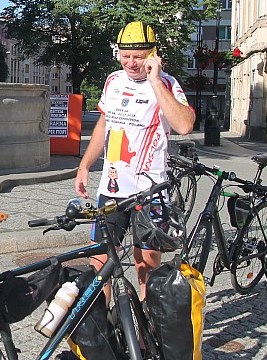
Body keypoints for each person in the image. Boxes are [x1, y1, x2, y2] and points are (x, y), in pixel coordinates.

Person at [75, 21, 195, 298]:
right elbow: (104, 125)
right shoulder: (113, 81)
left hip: (150, 192)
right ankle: (104, 331)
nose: (130, 63)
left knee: (147, 270)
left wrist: (154, 81)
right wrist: (84, 166)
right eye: (125, 55)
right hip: (112, 190)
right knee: (99, 263)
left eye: (139, 57)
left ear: (152, 55)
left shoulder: (167, 84)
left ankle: (145, 337)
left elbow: (185, 125)